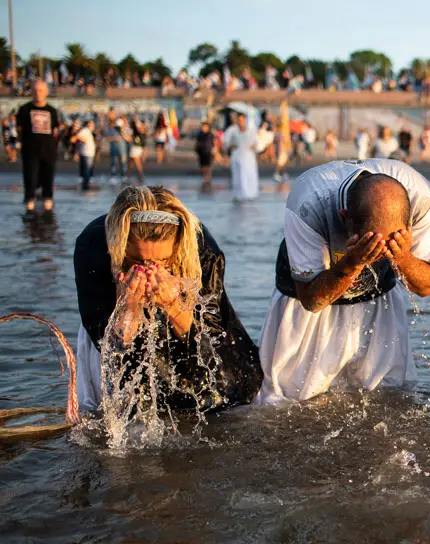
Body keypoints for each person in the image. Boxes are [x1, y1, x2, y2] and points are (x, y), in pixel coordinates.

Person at [255, 158, 430, 404]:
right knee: (288, 401)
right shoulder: (307, 203)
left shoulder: (422, 199)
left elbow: (426, 287)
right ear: (344, 218)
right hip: (305, 307)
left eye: (388, 244)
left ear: (408, 225)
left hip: (379, 302)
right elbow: (311, 301)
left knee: (386, 397)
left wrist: (404, 258)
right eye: (372, 245)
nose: (379, 255)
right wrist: (352, 263)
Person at [73, 185, 263, 413]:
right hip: (113, 319)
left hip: (192, 332)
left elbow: (211, 338)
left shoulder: (204, 252)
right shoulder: (93, 246)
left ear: (177, 248)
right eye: (136, 261)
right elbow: (104, 340)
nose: (149, 270)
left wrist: (174, 306)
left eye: (162, 261)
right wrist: (129, 308)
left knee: (219, 400)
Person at [16, 80, 62, 213]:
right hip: (30, 151)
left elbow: (55, 131)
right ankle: (29, 206)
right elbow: (19, 130)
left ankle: (48, 205)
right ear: (31, 91)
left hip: (49, 151)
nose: (38, 93)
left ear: (46, 92)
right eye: (35, 90)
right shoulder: (24, 109)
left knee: (48, 178)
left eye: (41, 90)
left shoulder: (52, 111)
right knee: (30, 178)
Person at [221, 113, 260, 201]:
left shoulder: (251, 130)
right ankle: (239, 194)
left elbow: (257, 144)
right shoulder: (232, 130)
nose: (240, 122)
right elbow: (225, 141)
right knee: (238, 176)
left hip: (248, 156)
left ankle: (250, 194)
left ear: (245, 120)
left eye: (242, 120)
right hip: (237, 155)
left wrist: (253, 147)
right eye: (239, 120)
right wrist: (230, 147)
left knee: (249, 175)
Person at [70, 118, 97, 191]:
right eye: (91, 124)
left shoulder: (89, 132)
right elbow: (73, 139)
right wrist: (80, 140)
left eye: (93, 124)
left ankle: (86, 184)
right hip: (86, 153)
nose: (92, 126)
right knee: (86, 170)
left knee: (87, 169)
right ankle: (85, 185)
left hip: (89, 153)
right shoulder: (85, 130)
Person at [105, 110, 127, 184]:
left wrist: (123, 133)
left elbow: (129, 139)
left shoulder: (124, 130)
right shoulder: (112, 130)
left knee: (123, 163)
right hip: (113, 149)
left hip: (122, 150)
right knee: (113, 163)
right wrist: (115, 138)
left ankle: (123, 176)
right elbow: (107, 138)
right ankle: (112, 177)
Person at [194, 121, 216, 186]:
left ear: (208, 127)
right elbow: (196, 142)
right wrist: (196, 149)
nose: (203, 128)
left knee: (208, 166)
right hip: (201, 152)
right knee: (202, 167)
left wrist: (215, 151)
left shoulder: (210, 134)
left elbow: (215, 143)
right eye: (202, 126)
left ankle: (208, 179)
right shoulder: (199, 134)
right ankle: (205, 178)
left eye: (205, 126)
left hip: (208, 152)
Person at [127, 117, 147, 183]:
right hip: (135, 147)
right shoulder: (138, 131)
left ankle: (141, 176)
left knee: (137, 162)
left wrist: (144, 153)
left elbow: (144, 144)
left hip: (137, 148)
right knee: (131, 162)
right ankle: (127, 176)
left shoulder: (142, 132)